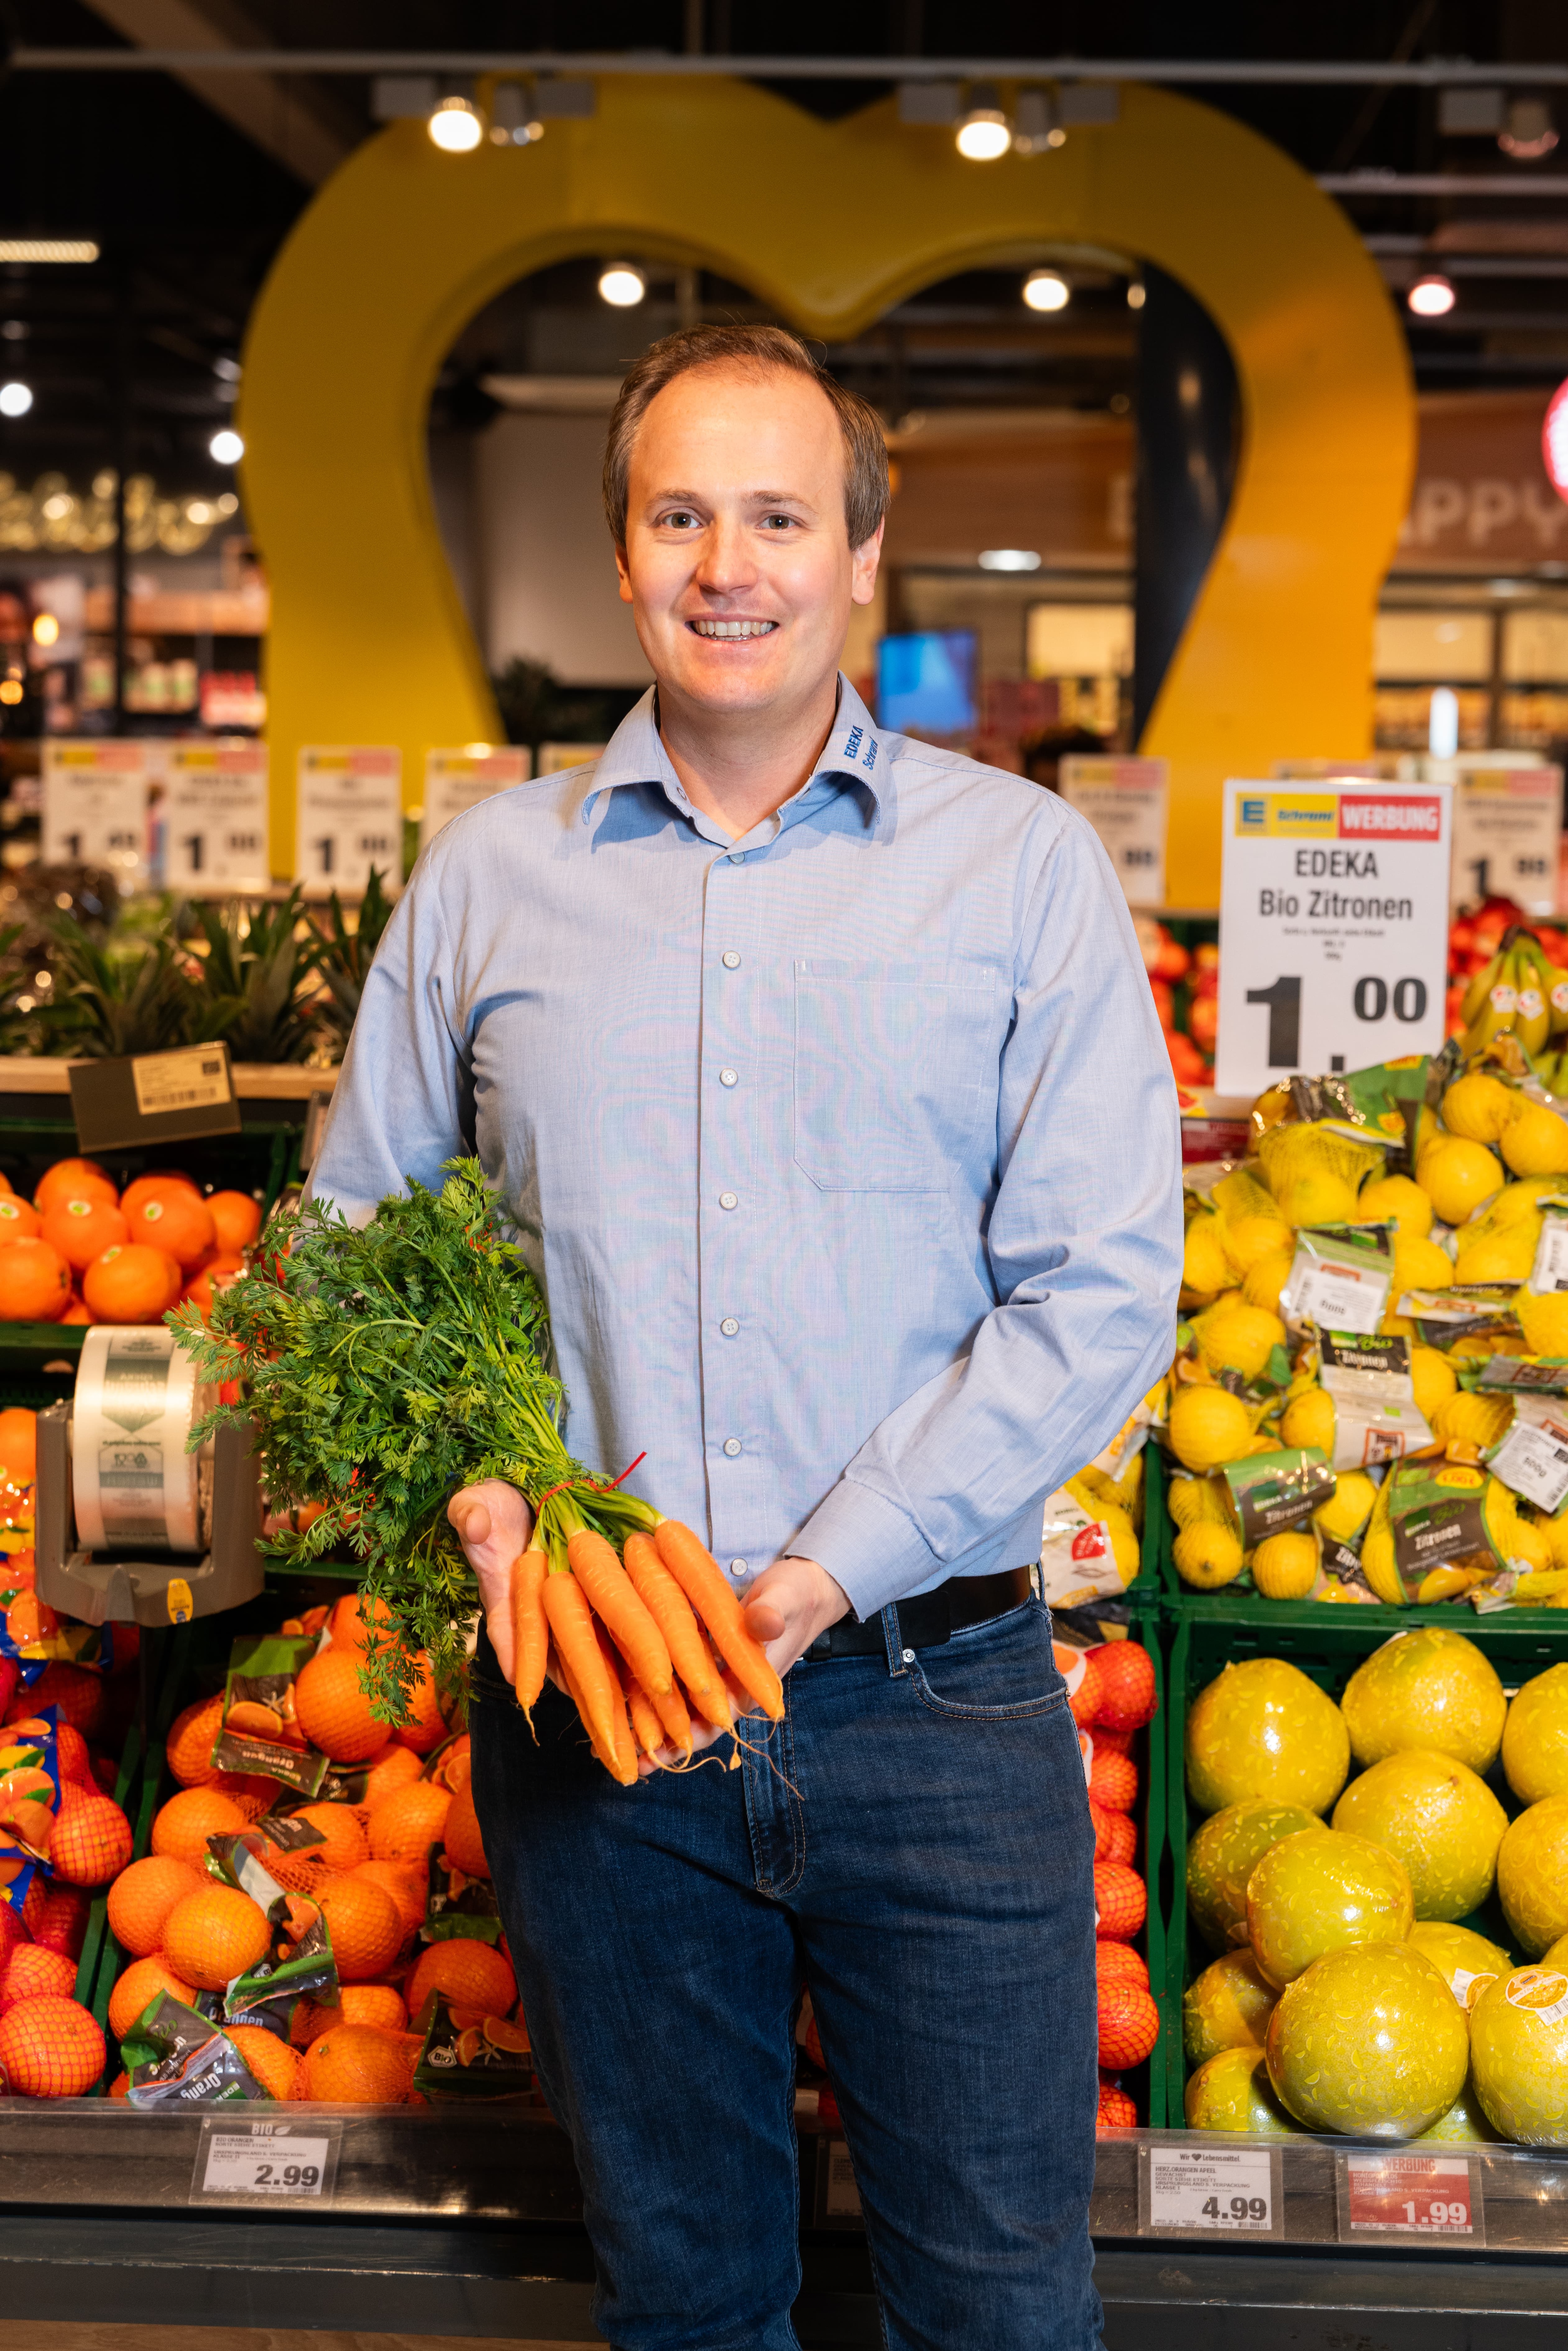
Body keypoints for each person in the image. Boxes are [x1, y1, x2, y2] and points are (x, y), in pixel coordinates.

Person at [309, 323, 1181, 2351]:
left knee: (1002, 2317)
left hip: (937, 1699)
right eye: (680, 513)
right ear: (623, 557)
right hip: (595, 1720)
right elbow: (350, 1249)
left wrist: (816, 1570)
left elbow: (1099, 1288)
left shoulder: (1020, 874)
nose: (730, 562)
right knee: (689, 2309)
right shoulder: (487, 881)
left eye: (778, 515)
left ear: (862, 552)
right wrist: (487, 1500)